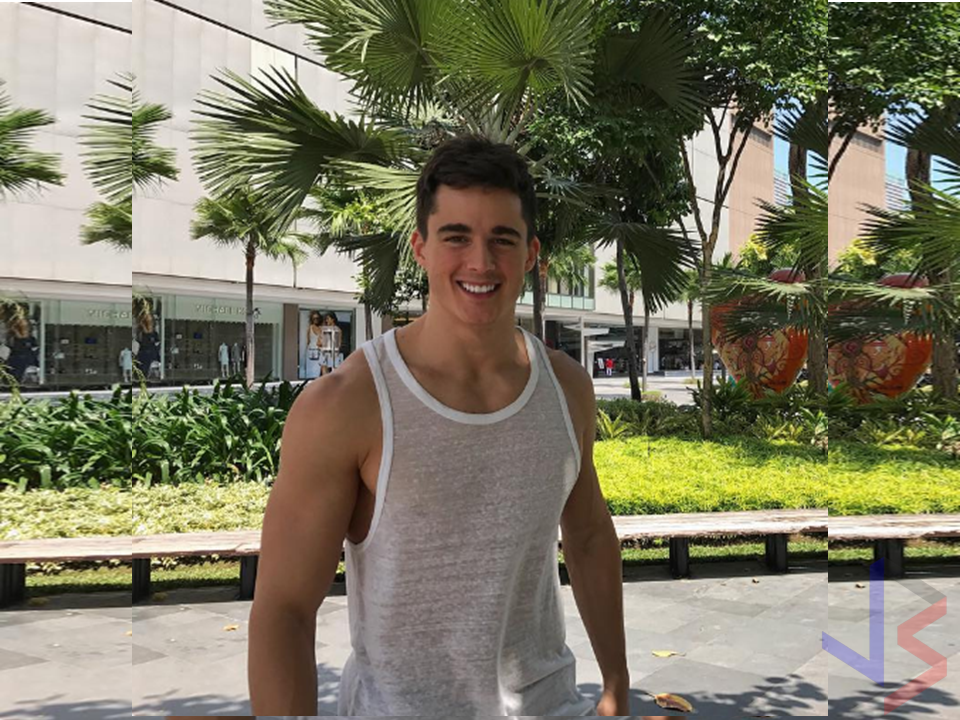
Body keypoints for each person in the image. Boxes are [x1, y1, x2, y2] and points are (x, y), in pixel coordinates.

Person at [243, 136, 655, 720]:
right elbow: (284, 607)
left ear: (531, 253)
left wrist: (616, 683)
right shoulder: (348, 403)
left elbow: (588, 535)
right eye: (456, 236)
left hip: (551, 704)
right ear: (421, 248)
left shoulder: (566, 388)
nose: (480, 262)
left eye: (502, 239)